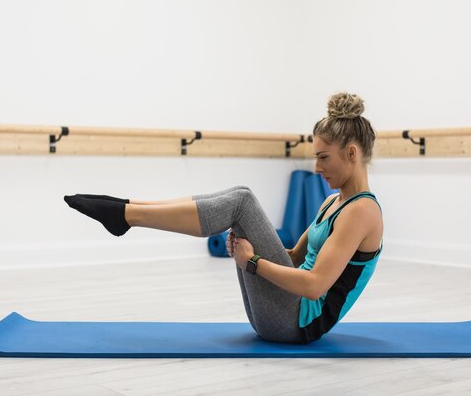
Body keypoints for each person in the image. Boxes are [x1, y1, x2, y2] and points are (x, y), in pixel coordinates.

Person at [63, 92, 384, 344]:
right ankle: (129, 207)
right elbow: (294, 257)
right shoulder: (333, 202)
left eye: (323, 158)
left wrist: (253, 262)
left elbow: (314, 286)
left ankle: (126, 215)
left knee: (242, 202)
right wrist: (253, 253)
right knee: (240, 193)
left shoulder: (362, 211)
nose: (316, 168)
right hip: (283, 315)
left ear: (352, 154)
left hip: (297, 324)